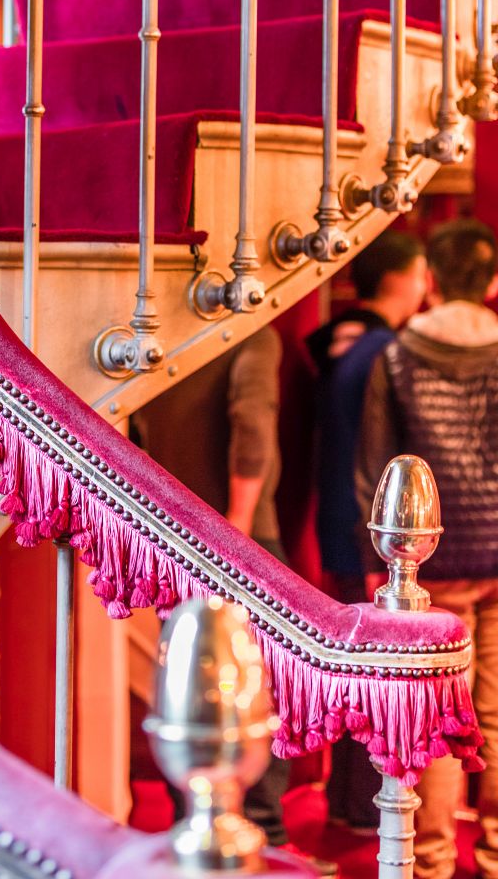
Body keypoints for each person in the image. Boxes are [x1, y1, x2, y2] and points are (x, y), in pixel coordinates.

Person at [136, 327, 338, 876]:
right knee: (258, 691)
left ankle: (193, 825)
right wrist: (238, 533)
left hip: (175, 532)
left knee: (187, 684)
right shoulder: (250, 334)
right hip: (243, 535)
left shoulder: (157, 335)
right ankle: (267, 838)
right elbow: (252, 426)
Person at [357, 218, 498, 879]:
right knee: (496, 708)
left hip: (428, 560)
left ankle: (433, 863)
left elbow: (377, 467)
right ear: (492, 280)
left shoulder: (397, 355)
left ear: (433, 281)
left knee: (442, 712)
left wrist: (373, 563)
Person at [307, 232, 428, 834]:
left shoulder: (350, 341)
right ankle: (359, 804)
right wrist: (380, 546)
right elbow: (372, 458)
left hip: (341, 522)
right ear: (401, 278)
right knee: (377, 670)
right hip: (365, 533)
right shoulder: (381, 348)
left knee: (362, 666)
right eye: (420, 271)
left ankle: (348, 800)